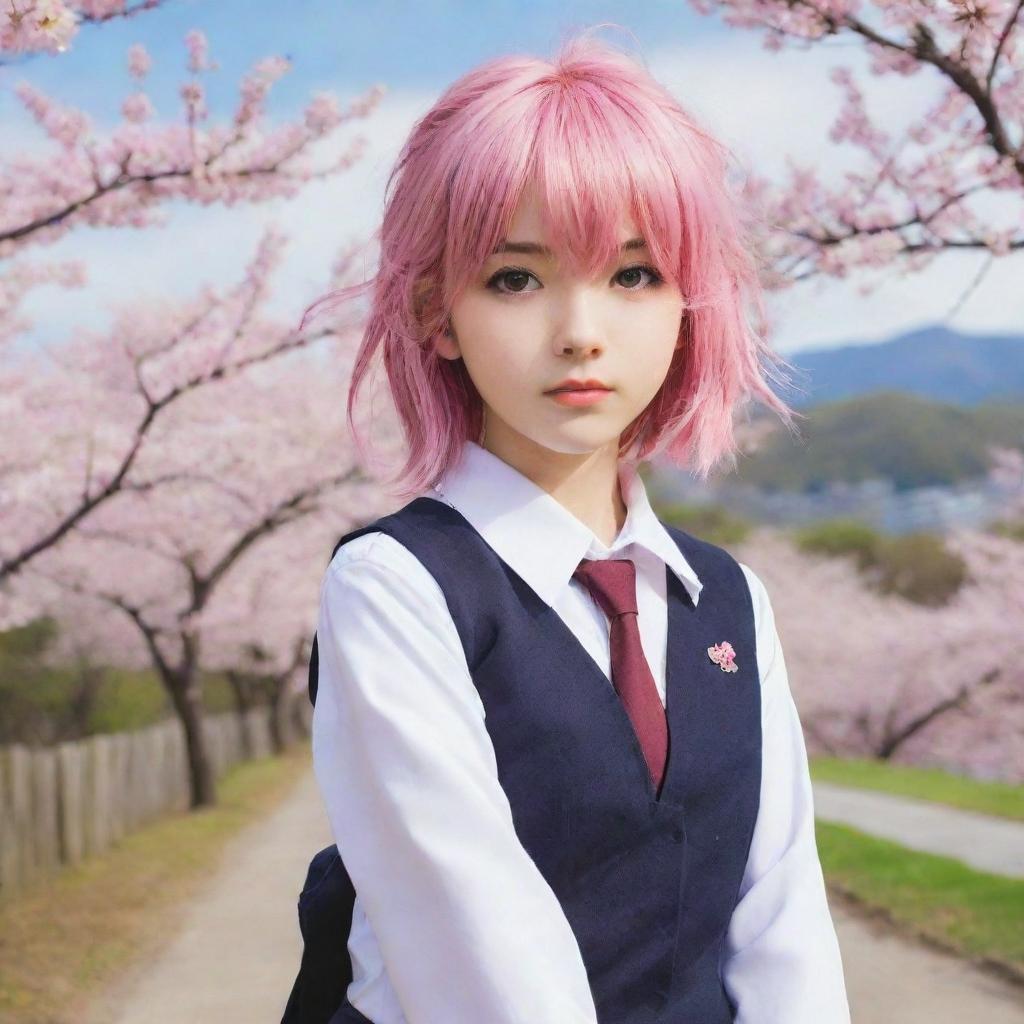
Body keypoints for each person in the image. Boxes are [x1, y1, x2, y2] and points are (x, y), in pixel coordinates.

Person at [281, 27, 852, 1024]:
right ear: (435, 313)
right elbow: (474, 948)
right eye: (515, 277)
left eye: (633, 275)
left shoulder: (723, 596)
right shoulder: (399, 585)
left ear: (688, 306)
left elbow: (781, 920)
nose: (580, 329)